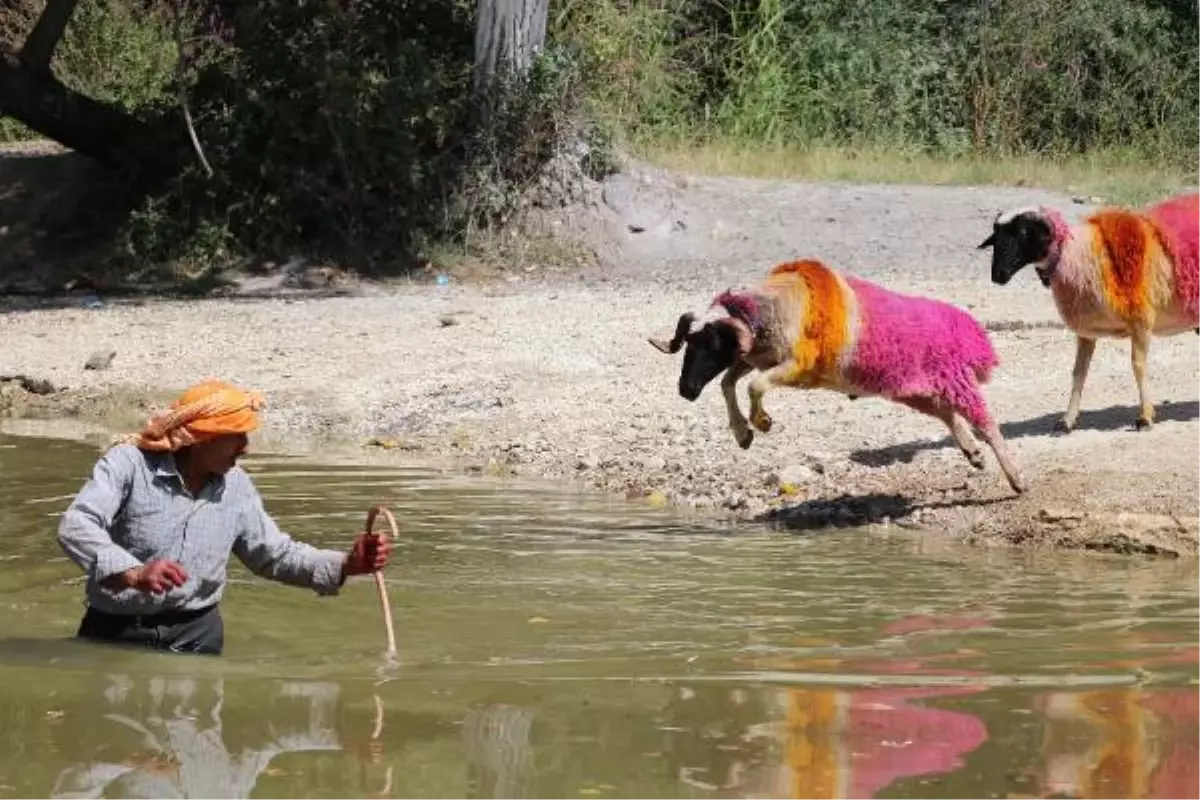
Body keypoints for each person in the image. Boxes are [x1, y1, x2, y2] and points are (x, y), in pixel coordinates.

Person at [55, 378, 390, 656]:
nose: (245, 448)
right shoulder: (128, 464)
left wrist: (348, 565)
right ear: (200, 439)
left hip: (197, 636)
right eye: (237, 437)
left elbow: (274, 554)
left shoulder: (237, 485)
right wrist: (133, 572)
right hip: (113, 632)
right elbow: (76, 525)